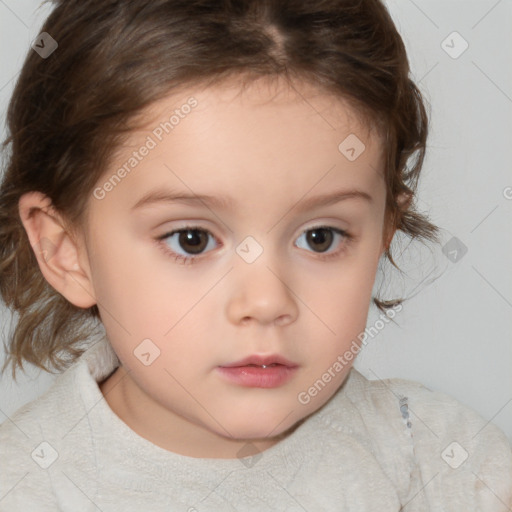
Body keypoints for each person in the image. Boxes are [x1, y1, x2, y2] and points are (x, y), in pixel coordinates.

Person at [0, 0, 510, 510]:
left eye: (320, 237)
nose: (266, 302)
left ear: (382, 233)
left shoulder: (450, 467)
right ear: (65, 251)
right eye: (191, 239)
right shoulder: (23, 486)